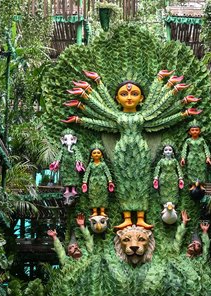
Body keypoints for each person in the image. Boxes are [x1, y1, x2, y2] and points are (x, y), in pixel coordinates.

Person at [63, 71, 202, 231]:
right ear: (116, 99)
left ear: (142, 98)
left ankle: (141, 217)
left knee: (141, 182)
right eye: (124, 94)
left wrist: (179, 105)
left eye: (134, 93)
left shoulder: (145, 116)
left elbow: (165, 114)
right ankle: (127, 218)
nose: (129, 97)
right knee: (124, 182)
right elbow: (99, 111)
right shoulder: (115, 116)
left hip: (141, 151)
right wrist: (88, 99)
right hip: (122, 152)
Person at [81, 147, 114, 217]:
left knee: (103, 196)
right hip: (92, 182)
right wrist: (84, 182)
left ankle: (102, 211)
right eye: (94, 153)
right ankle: (95, 211)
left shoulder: (103, 164)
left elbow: (107, 172)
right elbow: (87, 173)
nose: (96, 154)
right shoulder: (90, 165)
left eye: (98, 153)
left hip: (102, 182)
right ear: (91, 155)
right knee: (93, 196)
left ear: (101, 155)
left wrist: (110, 181)